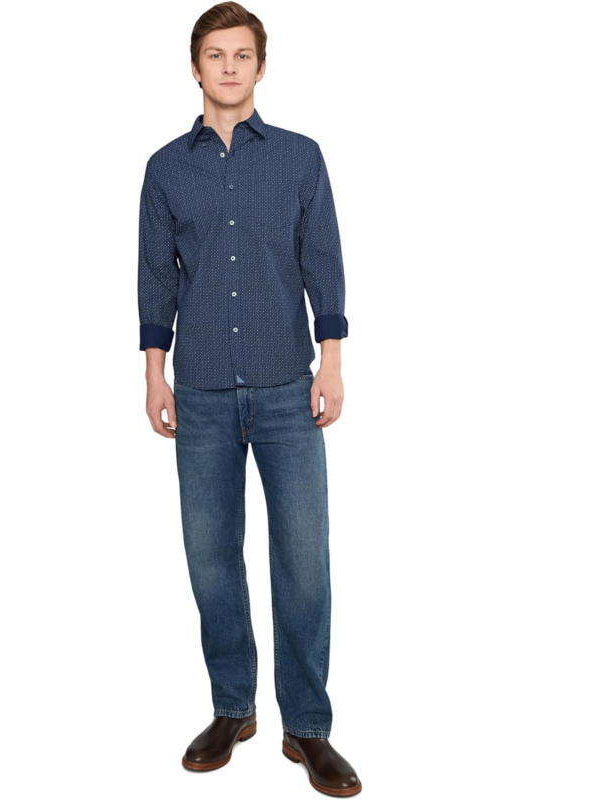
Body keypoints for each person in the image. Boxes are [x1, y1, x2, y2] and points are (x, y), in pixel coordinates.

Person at [137, 2, 360, 795]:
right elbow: (156, 277)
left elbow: (323, 260)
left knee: (304, 560)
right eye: (214, 54)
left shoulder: (300, 157)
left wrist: (331, 363)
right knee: (209, 559)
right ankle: (233, 708)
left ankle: (308, 726)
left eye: (241, 55)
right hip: (198, 391)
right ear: (194, 67)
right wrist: (154, 374)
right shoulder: (166, 169)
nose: (228, 67)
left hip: (287, 389)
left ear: (260, 67)